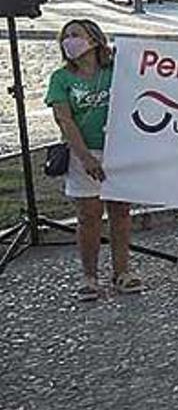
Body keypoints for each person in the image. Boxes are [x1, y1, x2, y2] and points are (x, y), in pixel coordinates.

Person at [45, 19, 144, 301]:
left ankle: (122, 271)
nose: (70, 41)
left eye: (76, 34)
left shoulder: (115, 72)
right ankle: (89, 275)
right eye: (65, 37)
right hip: (82, 153)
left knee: (121, 211)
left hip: (119, 150)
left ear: (94, 39)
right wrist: (86, 157)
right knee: (89, 215)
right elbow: (65, 119)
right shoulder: (61, 78)